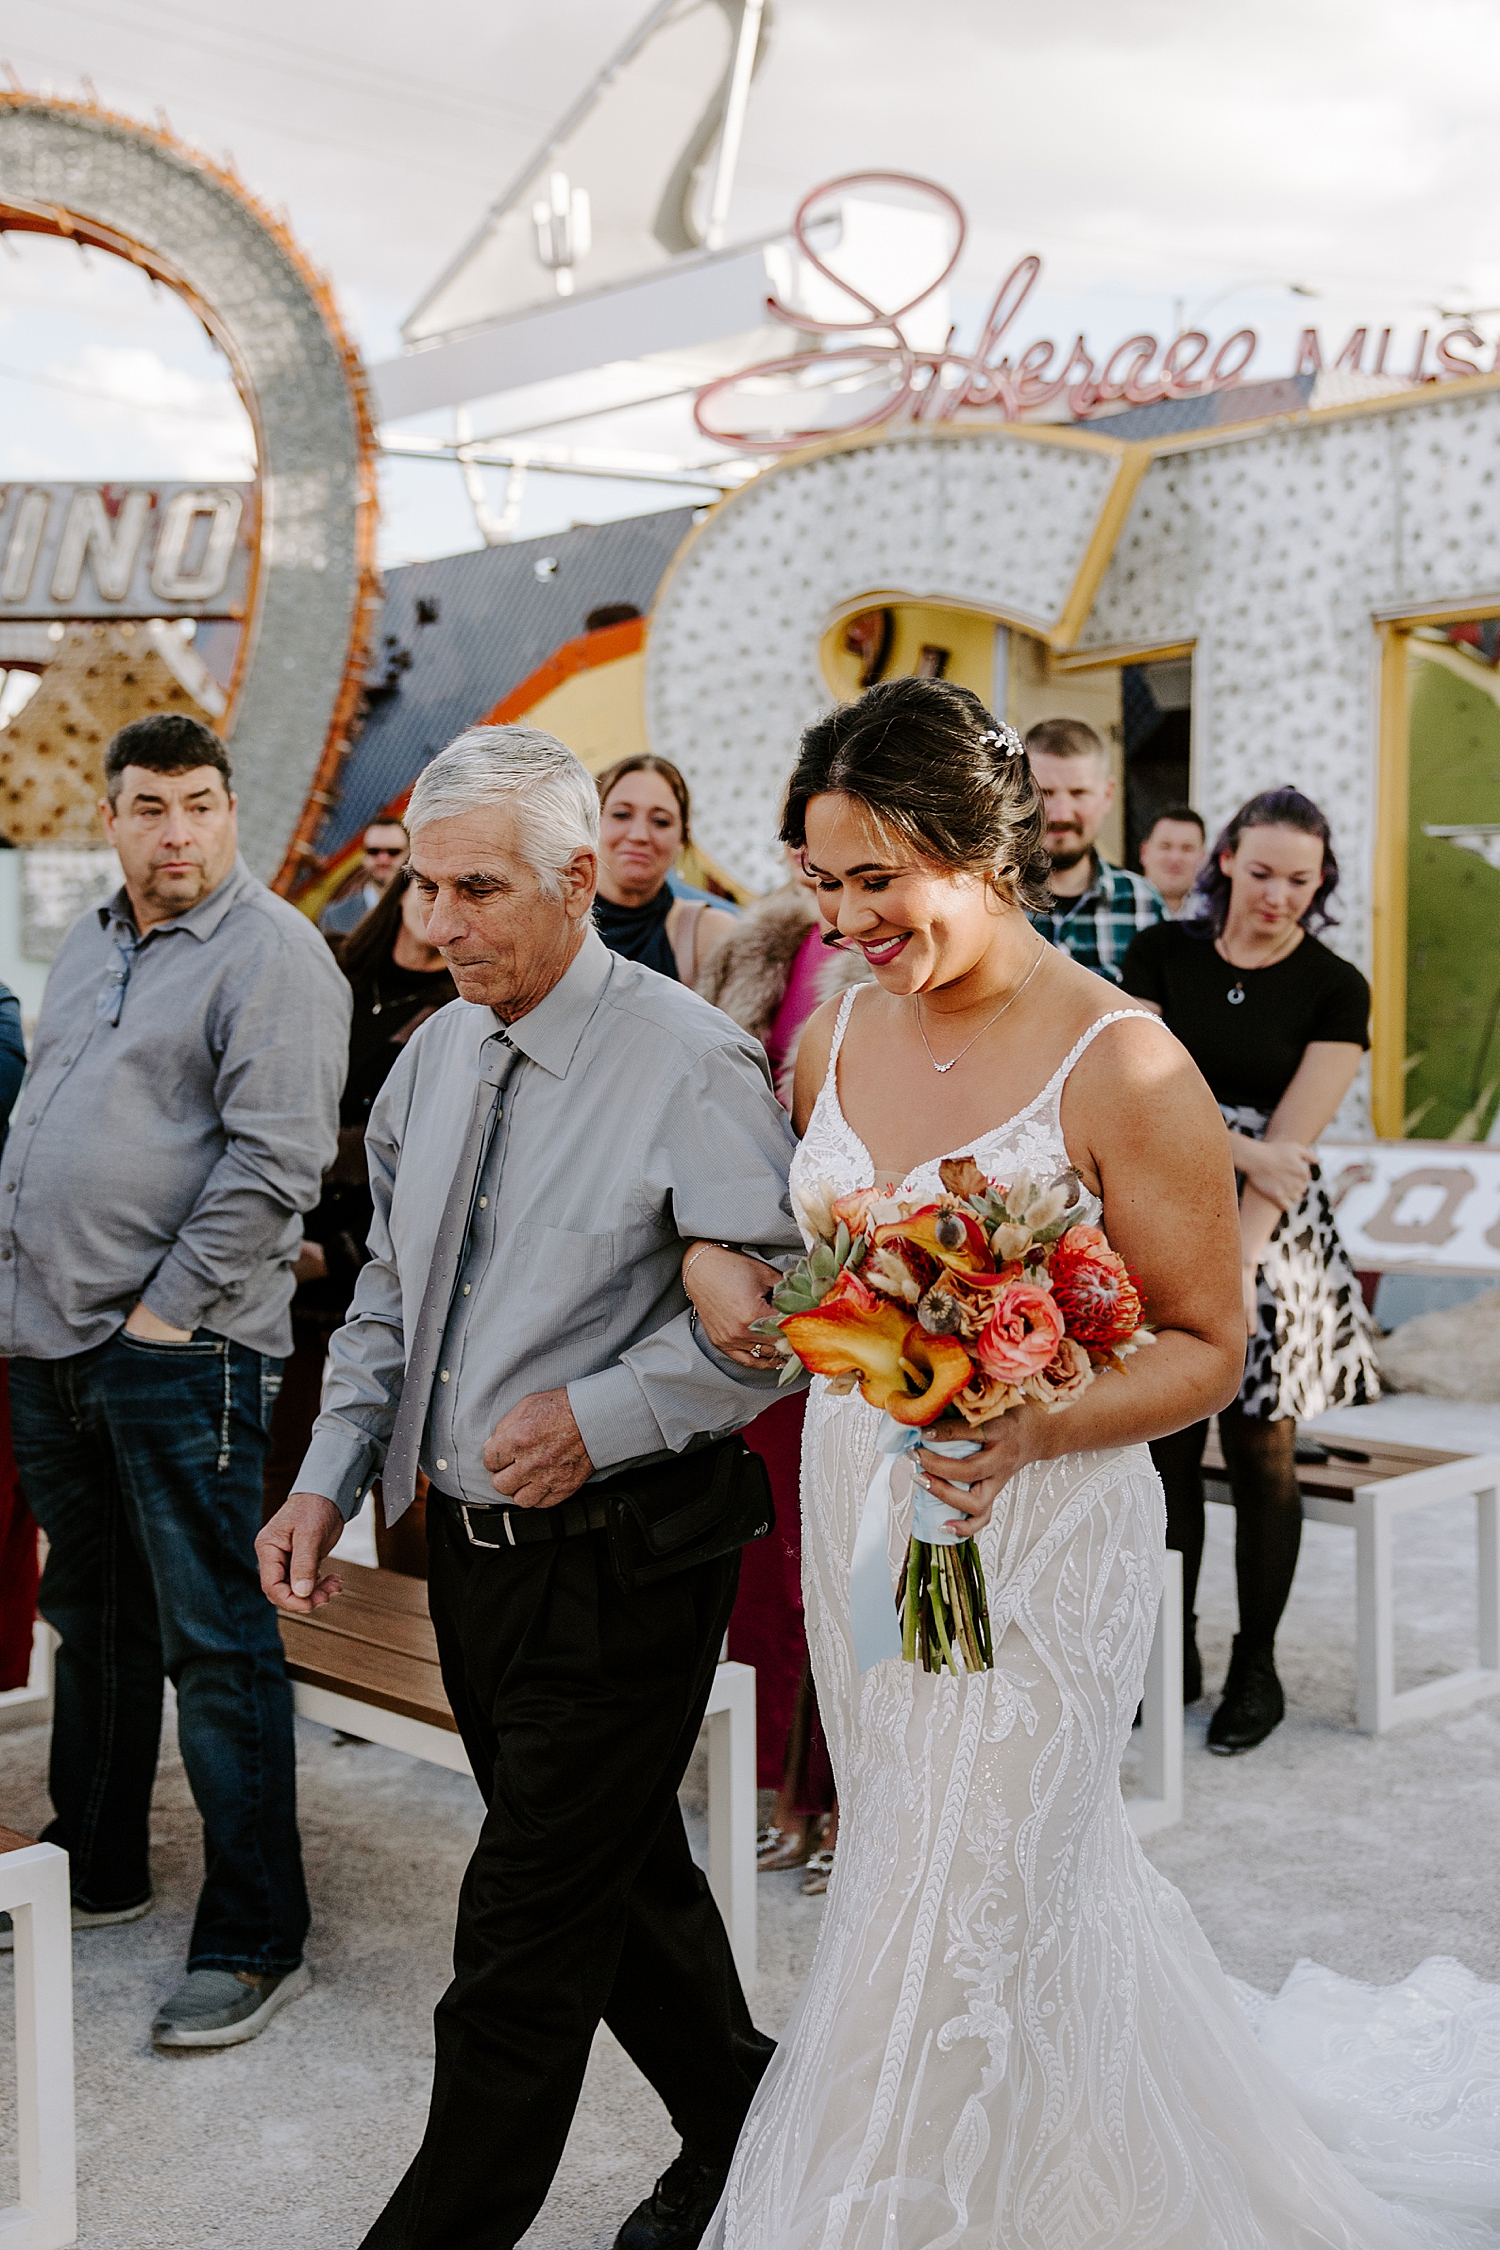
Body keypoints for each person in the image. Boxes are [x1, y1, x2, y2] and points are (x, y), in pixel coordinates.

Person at [684, 677, 1500, 2250]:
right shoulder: (836, 1029)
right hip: (868, 1502)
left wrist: (1033, 1415)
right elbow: (832, 1274)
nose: (846, 918)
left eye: (880, 879)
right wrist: (768, 1308)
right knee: (917, 1848)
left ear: (983, 851)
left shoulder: (1125, 1064)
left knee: (974, 1880)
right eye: (822, 875)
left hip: (1046, 1528)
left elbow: (1201, 1339)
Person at [255, 725, 804, 2250]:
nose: (438, 924)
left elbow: (781, 1331)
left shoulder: (694, 1061)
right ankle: (751, 2120)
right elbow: (381, 1298)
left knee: (518, 1933)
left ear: (577, 878)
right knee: (618, 1880)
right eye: (427, 887)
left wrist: (611, 1410)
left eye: (477, 889)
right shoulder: (430, 1051)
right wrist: (324, 1477)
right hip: (470, 1564)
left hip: (632, 1561)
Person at [0, 711, 350, 2047]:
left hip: (178, 1353)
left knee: (215, 1639)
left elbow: (273, 1170)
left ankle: (260, 1935)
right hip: (55, 1342)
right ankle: (93, 1862)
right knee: (92, 1616)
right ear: (111, 815)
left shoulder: (274, 956)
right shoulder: (92, 938)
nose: (178, 832)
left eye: (200, 803)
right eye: (150, 807)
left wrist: (158, 1321)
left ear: (230, 807)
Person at [1122, 787, 1381, 1749]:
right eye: (1263, 872)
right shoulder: (1160, 955)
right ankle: (1170, 1647)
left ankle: (1256, 1667)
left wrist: (1235, 1267)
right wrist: (1241, 1149)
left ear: (1323, 885)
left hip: (1272, 1238)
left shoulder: (1335, 985)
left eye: (1301, 881)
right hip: (1160, 1203)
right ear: (1226, 860)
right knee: (1167, 1444)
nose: (1279, 896)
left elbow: (1292, 1152)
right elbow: (1137, 1099)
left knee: (1267, 1450)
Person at [696, 850, 870, 1891]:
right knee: (765, 1555)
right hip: (754, 1282)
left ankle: (846, 1789)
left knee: (843, 1552)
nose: (830, 879)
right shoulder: (755, 950)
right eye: (812, 854)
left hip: (852, 1287)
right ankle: (782, 1785)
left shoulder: (896, 964)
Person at [262, 867, 457, 1539]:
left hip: (382, 1269)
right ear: (400, 888)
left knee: (408, 1503)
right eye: (428, 887)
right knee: (285, 1477)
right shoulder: (330, 974)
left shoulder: (462, 1011)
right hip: (285, 1270)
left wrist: (337, 1256)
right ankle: (278, 1634)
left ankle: (410, 1642)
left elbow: (436, 1172)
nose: (441, 910)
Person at [1024, 715, 1163, 978]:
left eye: (1078, 793)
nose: (1061, 814)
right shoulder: (989, 900)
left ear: (1107, 795)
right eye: (1045, 793)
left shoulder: (1143, 904)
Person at [594, 753, 737, 983]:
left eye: (660, 821)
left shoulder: (712, 935)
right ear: (591, 822)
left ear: (683, 837)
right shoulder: (546, 922)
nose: (639, 835)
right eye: (621, 815)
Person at [319, 817, 409, 936]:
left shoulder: (424, 912)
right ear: (363, 855)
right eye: (373, 851)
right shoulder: (336, 917)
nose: (383, 860)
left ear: (409, 854)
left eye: (393, 852)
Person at [1138, 801, 1207, 916]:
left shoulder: (1217, 914)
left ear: (1203, 857)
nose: (1175, 858)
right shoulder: (1119, 906)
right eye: (1165, 847)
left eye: (1187, 849)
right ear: (1144, 852)